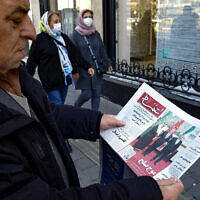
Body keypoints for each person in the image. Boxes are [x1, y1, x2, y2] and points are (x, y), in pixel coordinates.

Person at [0, 0, 184, 199]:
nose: (30, 32)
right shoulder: (47, 42)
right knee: (85, 96)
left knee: (90, 98)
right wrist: (145, 193)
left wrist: (96, 121)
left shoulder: (15, 74)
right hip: (54, 82)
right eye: (16, 19)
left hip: (73, 78)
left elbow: (43, 113)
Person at [26, 11, 94, 104]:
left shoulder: (63, 37)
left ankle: (51, 117)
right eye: (55, 22)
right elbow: (31, 63)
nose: (59, 24)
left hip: (64, 81)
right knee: (58, 106)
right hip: (50, 83)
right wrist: (26, 81)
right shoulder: (39, 40)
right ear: (47, 23)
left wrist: (87, 66)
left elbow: (75, 53)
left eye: (59, 21)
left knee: (59, 106)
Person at [71, 9, 112, 111]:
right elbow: (72, 54)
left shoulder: (95, 33)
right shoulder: (75, 35)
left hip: (97, 68)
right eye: (85, 17)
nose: (88, 19)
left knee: (97, 94)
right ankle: (76, 107)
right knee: (87, 94)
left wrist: (108, 63)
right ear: (81, 19)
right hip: (83, 69)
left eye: (90, 17)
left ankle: (94, 116)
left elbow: (102, 49)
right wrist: (74, 70)